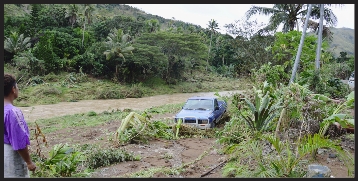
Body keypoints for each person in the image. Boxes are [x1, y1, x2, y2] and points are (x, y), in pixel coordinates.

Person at [4, 74, 36, 177]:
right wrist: (29, 162)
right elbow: (19, 142)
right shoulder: (13, 112)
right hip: (11, 157)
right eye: (17, 87)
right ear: (13, 89)